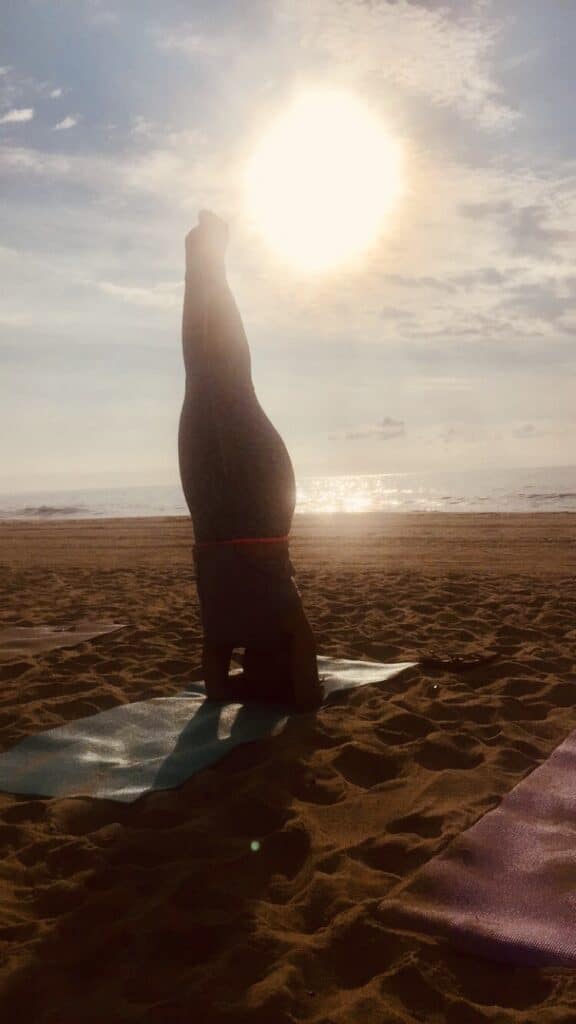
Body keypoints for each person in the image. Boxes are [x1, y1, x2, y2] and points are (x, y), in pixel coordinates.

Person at [178, 209, 323, 710]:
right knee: (217, 380)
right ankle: (205, 262)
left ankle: (204, 262)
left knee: (216, 380)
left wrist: (260, 692)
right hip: (244, 512)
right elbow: (219, 691)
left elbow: (301, 689)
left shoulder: (272, 627)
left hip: (234, 512)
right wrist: (245, 691)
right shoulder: (248, 630)